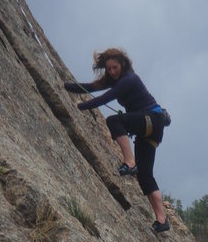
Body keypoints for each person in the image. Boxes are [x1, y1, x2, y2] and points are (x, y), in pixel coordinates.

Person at [64, 48, 170, 232]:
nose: (112, 72)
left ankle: (129, 163)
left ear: (123, 64)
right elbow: (90, 88)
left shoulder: (129, 79)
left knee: (114, 121)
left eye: (115, 67)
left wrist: (81, 106)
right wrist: (65, 86)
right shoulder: (114, 80)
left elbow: (104, 99)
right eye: (109, 69)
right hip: (151, 128)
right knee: (145, 175)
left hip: (152, 120)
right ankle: (162, 221)